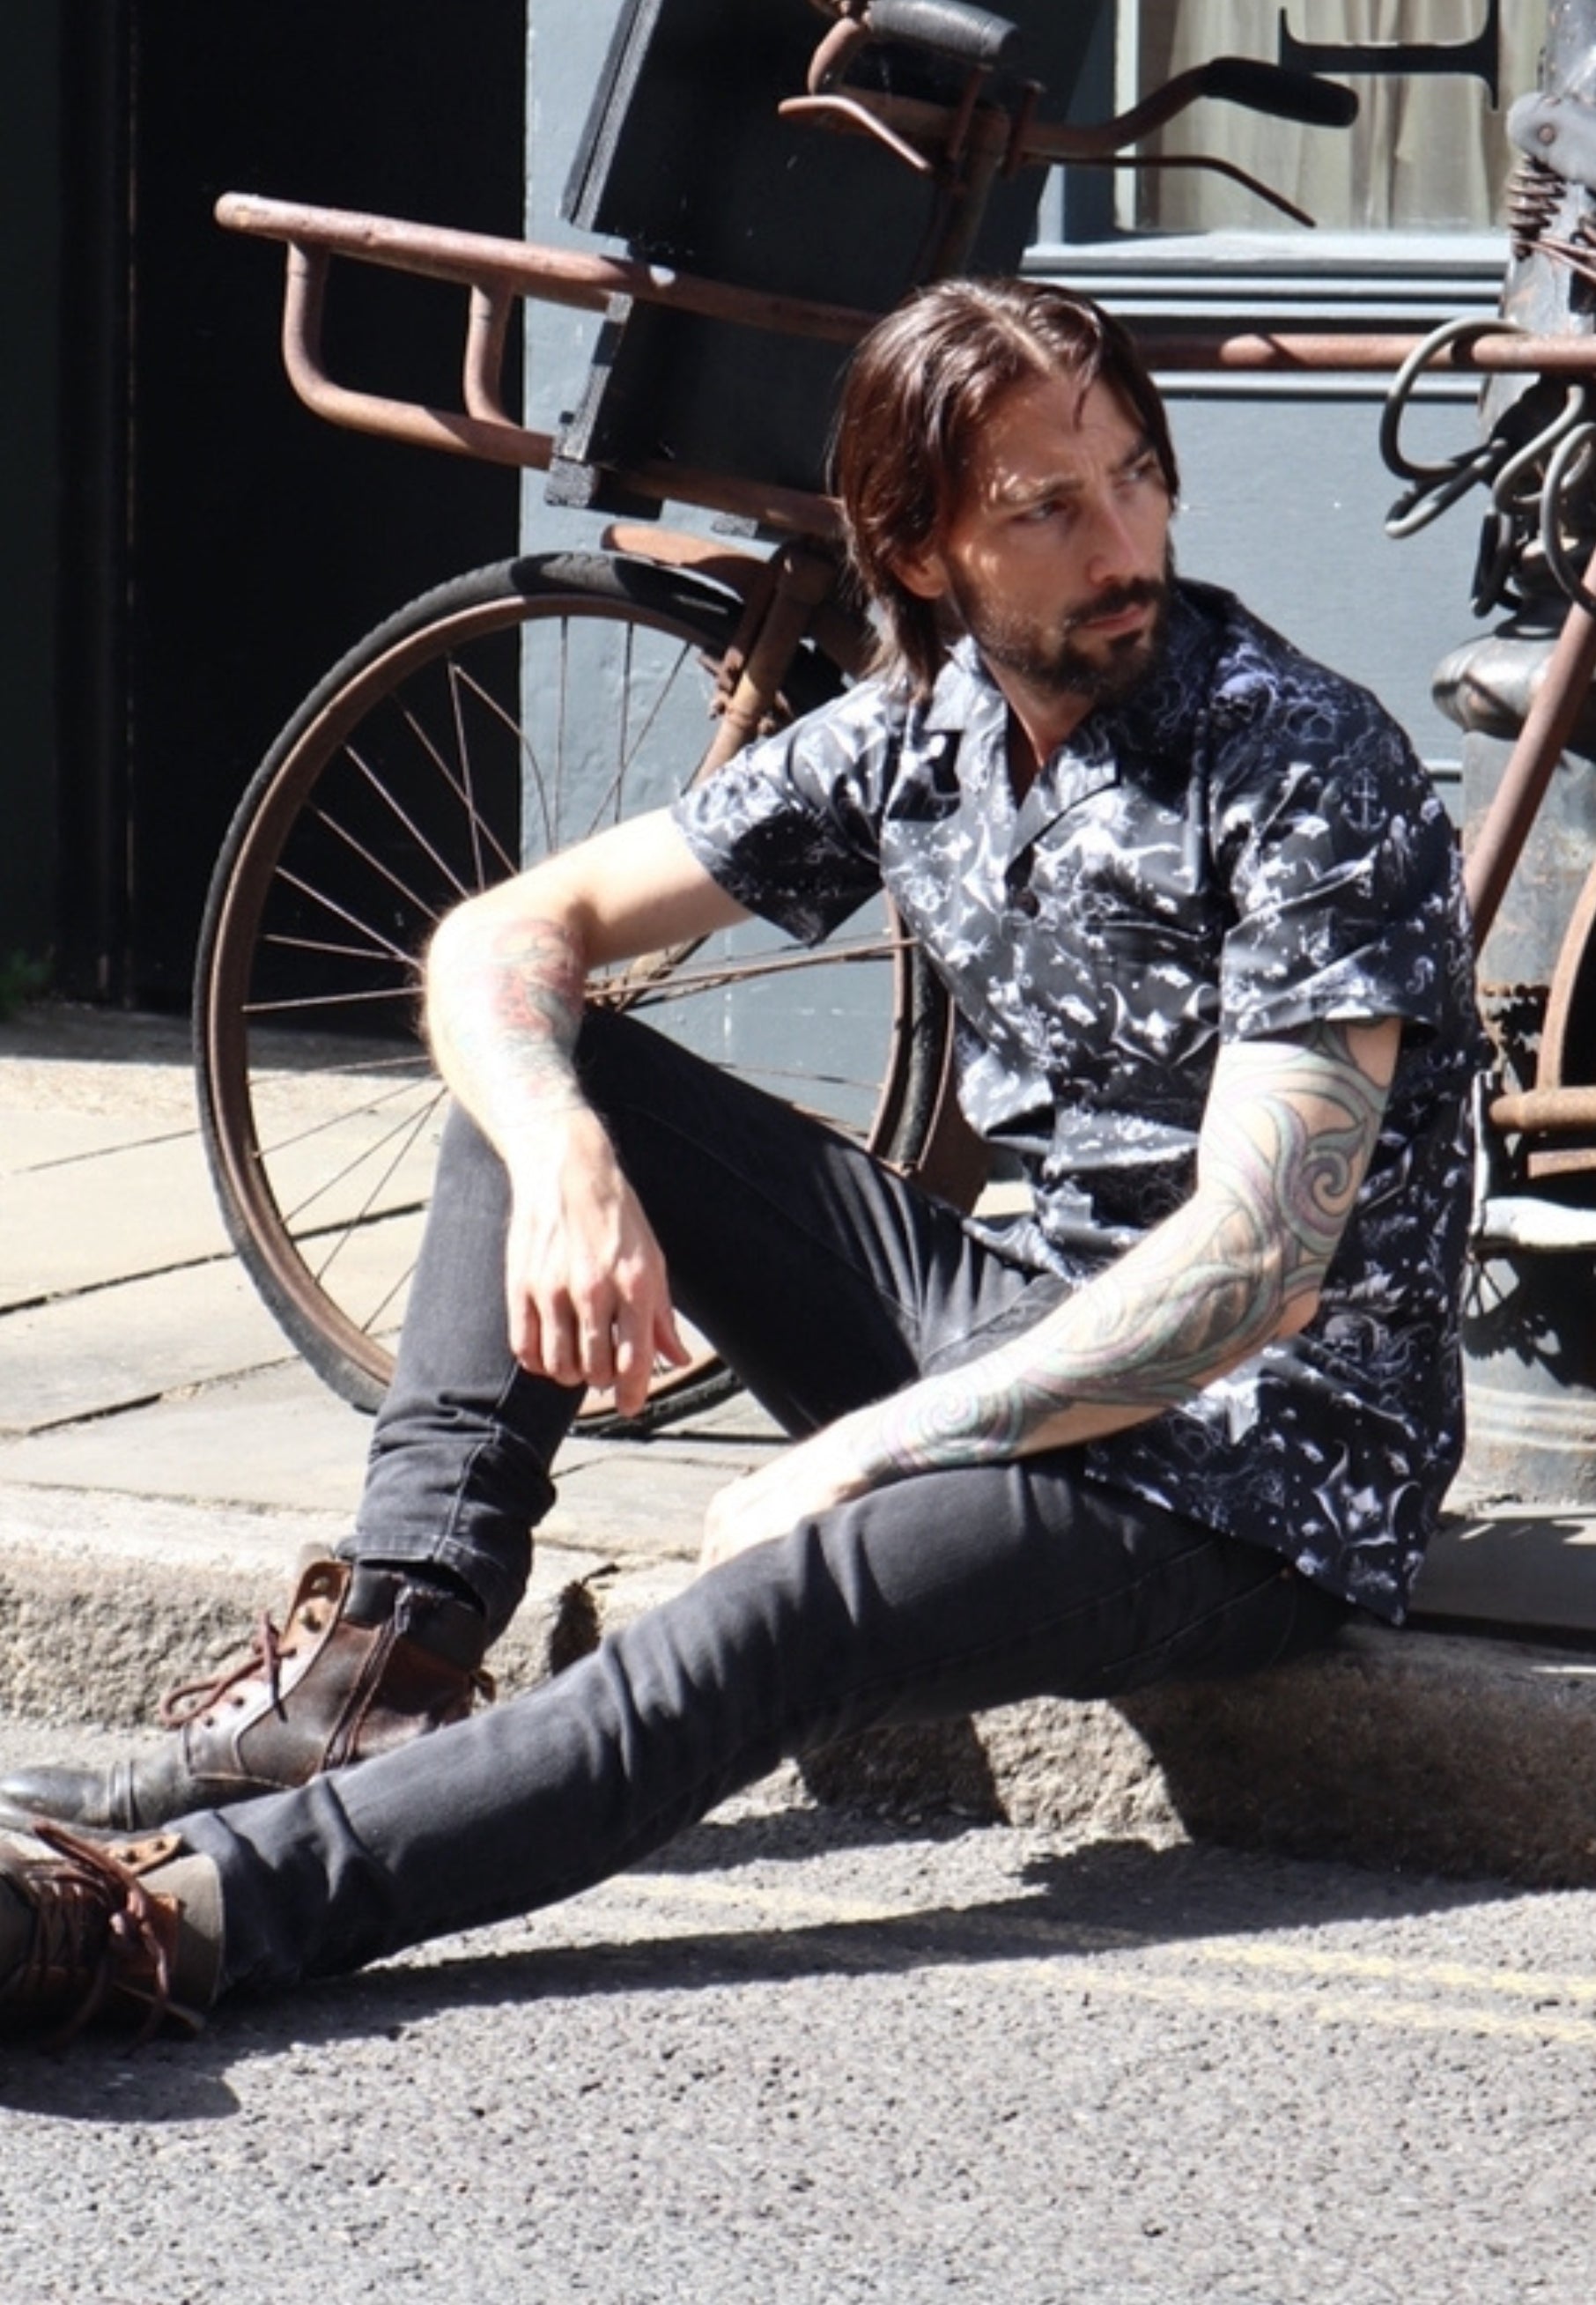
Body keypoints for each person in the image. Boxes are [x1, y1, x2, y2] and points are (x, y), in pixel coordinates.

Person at [0, 278, 1481, 2041]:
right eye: (1050, 505)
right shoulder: (910, 733)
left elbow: (1251, 1268)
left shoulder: (1299, 763)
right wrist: (560, 1154)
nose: (1124, 538)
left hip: (1264, 1461)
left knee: (789, 1599)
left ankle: (175, 1919)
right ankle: (383, 1666)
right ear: (921, 549)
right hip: (1026, 1318)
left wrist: (866, 1449)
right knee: (556, 1061)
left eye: (1139, 477)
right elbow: (505, 931)